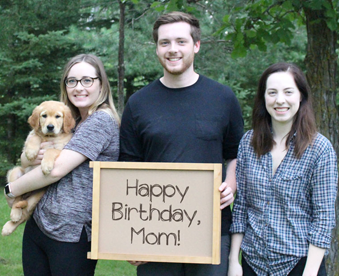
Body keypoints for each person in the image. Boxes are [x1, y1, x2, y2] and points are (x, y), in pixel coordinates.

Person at [119, 11, 244, 276]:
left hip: (211, 228)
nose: (172, 49)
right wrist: (129, 237)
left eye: (180, 41)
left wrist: (230, 187)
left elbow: (235, 155)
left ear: (196, 46)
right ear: (156, 48)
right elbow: (127, 169)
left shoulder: (223, 98)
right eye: (164, 43)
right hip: (153, 232)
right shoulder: (138, 104)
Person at [4, 54, 120, 276]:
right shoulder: (69, 119)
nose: (79, 87)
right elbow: (27, 158)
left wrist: (12, 189)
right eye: (72, 81)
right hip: (40, 223)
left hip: (72, 233)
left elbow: (55, 170)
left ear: (101, 84)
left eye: (87, 80)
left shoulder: (100, 121)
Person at [228, 62, 338, 276]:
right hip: (253, 264)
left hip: (300, 265)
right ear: (263, 98)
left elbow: (323, 218)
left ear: (301, 96)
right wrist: (234, 261)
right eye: (272, 93)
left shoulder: (320, 149)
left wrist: (310, 272)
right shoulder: (247, 144)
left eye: (288, 92)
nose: (280, 100)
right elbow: (241, 207)